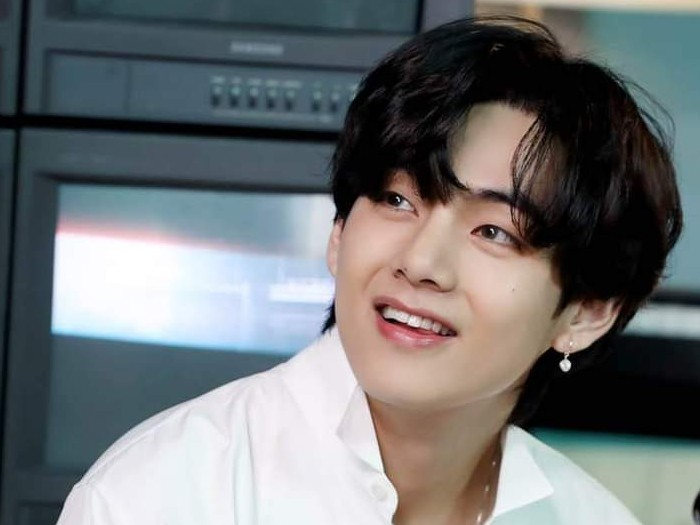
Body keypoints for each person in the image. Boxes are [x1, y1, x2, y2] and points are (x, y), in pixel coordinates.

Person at [56, 15, 682, 525]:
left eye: (494, 232)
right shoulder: (158, 497)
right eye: (396, 200)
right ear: (339, 233)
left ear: (586, 312)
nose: (420, 262)